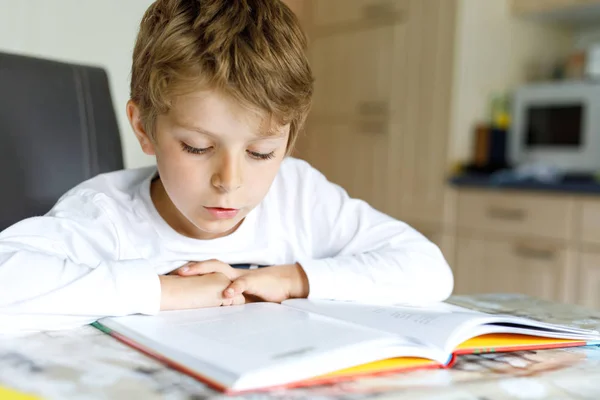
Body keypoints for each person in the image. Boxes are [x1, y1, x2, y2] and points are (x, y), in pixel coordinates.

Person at [0, 0, 453, 333]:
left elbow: (428, 270)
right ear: (144, 128)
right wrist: (165, 290)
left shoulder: (299, 195)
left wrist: (293, 279)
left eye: (260, 153)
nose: (230, 182)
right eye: (197, 147)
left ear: (289, 139)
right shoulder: (107, 215)